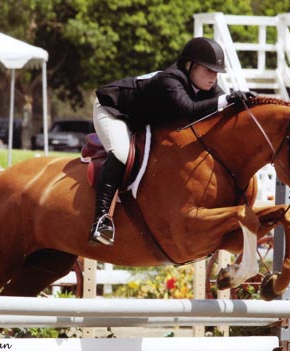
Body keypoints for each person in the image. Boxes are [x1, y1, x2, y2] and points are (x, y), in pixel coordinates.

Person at [89, 37, 256, 246]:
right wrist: (228, 99)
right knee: (121, 153)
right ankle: (101, 221)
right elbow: (190, 110)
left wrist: (244, 103)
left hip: (142, 118)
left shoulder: (206, 84)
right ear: (190, 66)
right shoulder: (170, 80)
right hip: (113, 110)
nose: (213, 77)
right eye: (209, 70)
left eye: (216, 72)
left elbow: (219, 110)